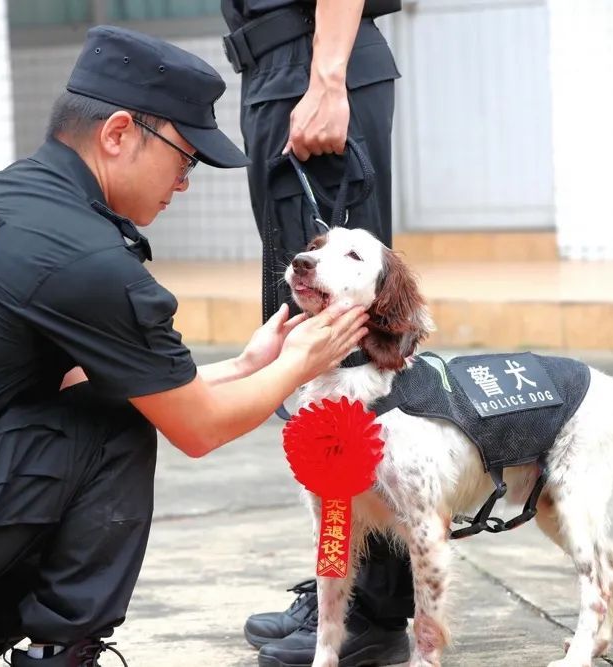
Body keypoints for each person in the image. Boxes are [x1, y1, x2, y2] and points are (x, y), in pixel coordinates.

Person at [0, 25, 371, 667]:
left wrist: (250, 365)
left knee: (86, 423)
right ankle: (63, 655)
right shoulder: (87, 259)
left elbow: (108, 387)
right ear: (118, 133)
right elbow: (197, 427)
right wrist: (305, 360)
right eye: (185, 158)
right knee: (111, 435)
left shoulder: (6, 199)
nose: (185, 183)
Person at [221, 1, 416, 666]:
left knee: (349, 359)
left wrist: (327, 78)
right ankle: (348, 587)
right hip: (285, 67)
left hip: (314, 62)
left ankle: (371, 608)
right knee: (321, 370)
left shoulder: (323, 78)